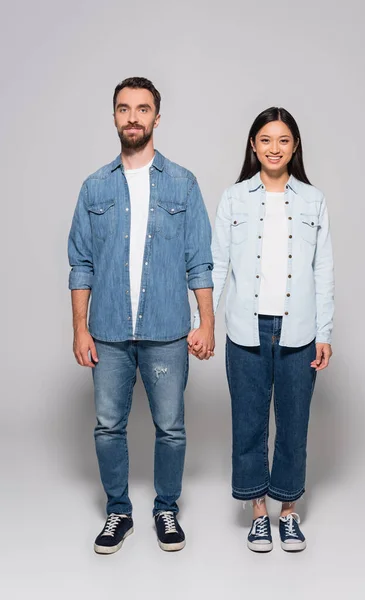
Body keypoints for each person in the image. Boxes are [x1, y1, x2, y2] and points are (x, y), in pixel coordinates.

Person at [68, 77, 215, 554]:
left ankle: (165, 507)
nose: (133, 117)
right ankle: (118, 513)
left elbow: (200, 261)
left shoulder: (183, 183)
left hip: (167, 331)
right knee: (108, 426)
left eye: (143, 109)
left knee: (170, 427)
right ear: (114, 116)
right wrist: (79, 329)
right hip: (108, 333)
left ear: (157, 117)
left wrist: (207, 322)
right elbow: (81, 263)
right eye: (124, 108)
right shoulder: (94, 187)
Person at [189, 107, 334, 552]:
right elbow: (214, 264)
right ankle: (257, 514)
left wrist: (324, 331)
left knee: (293, 424)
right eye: (266, 140)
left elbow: (322, 268)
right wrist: (203, 324)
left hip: (299, 331)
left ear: (295, 147)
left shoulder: (312, 200)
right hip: (243, 332)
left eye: (284, 140)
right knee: (248, 424)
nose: (275, 148)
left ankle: (287, 512)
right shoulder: (234, 198)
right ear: (253, 145)